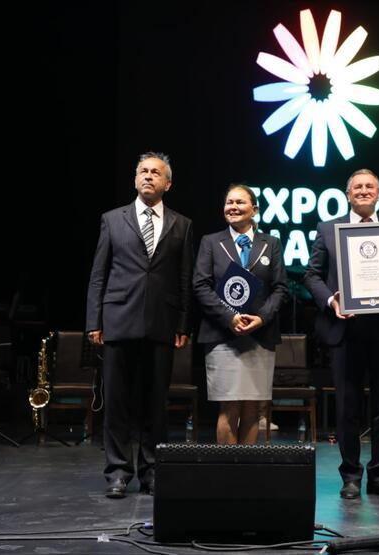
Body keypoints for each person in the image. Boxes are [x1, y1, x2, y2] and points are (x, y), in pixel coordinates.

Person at [303, 169, 379, 500]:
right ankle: (350, 476)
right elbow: (311, 275)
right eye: (357, 187)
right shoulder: (328, 228)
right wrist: (329, 299)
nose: (363, 191)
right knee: (347, 407)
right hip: (345, 327)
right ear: (348, 193)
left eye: (370, 187)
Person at [86, 152, 193, 498]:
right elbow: (99, 275)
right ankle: (118, 472)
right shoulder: (112, 219)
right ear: (135, 180)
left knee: (154, 404)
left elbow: (184, 278)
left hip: (161, 324)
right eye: (143, 171)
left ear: (168, 183)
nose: (149, 176)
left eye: (156, 172)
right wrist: (94, 320)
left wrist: (183, 324)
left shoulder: (182, 224)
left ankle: (151, 471)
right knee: (116, 402)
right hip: (118, 320)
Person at [193, 184, 288, 444]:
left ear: (254, 209)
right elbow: (200, 285)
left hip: (260, 336)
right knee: (229, 407)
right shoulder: (211, 242)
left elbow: (280, 287)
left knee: (253, 408)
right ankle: (227, 475)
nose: (232, 207)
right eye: (229, 203)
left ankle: (245, 472)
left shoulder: (272, 243)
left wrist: (262, 318)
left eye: (240, 202)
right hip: (223, 336)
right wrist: (229, 317)